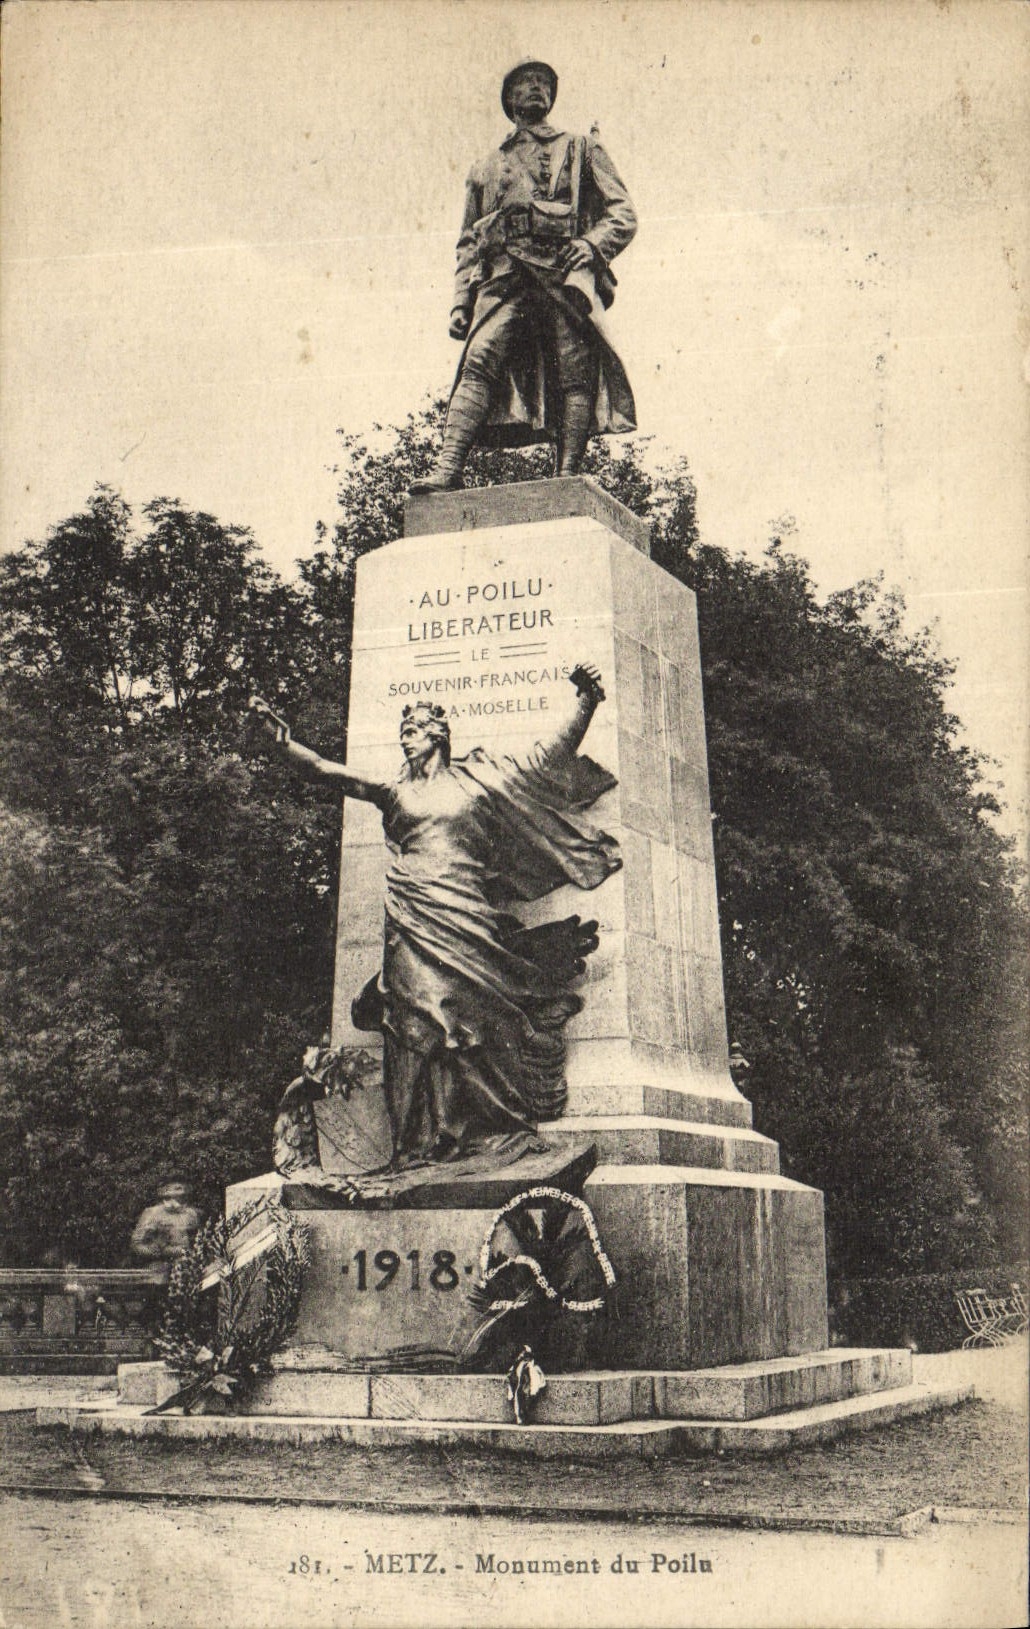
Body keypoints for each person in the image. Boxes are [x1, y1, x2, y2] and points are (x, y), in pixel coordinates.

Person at [250, 664, 620, 1170]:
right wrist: (281, 744)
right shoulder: (393, 789)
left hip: (465, 911)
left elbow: (545, 759)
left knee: (470, 1019)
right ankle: (413, 1147)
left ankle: (481, 1128)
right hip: (411, 915)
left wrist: (586, 702)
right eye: (402, 732)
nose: (406, 739)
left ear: (438, 735)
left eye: (414, 731)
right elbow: (323, 771)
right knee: (408, 1025)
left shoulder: (479, 783)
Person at [410, 58, 637, 493]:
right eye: (526, 83)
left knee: (576, 370)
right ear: (509, 99)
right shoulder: (485, 167)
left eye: (544, 83)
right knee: (477, 362)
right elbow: (468, 243)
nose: (537, 89)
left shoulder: (580, 148)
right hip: (504, 278)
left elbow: (622, 214)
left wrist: (590, 245)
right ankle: (448, 470)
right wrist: (461, 301)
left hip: (562, 273)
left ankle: (567, 476)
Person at [129, 1182, 203, 1265]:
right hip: (161, 1265)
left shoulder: (191, 1214)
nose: (180, 1202)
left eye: (182, 1198)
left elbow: (198, 1239)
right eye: (176, 1198)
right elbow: (136, 1244)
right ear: (166, 1198)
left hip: (189, 1264)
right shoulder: (153, 1213)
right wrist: (156, 1252)